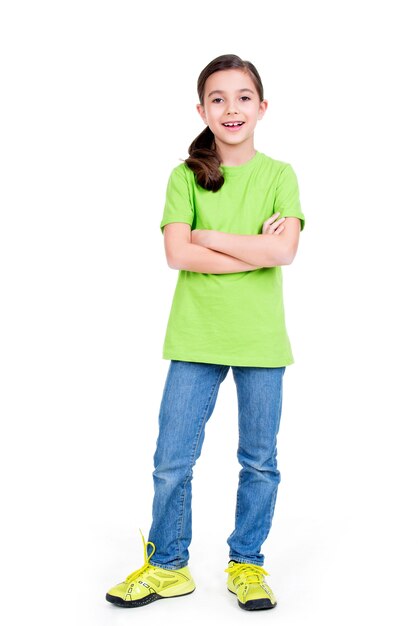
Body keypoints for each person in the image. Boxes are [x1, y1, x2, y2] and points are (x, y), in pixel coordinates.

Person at [106, 53, 305, 612]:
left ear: (262, 107)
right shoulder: (184, 176)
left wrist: (208, 238)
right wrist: (253, 251)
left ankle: (247, 563)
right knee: (172, 458)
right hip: (195, 337)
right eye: (218, 98)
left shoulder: (279, 176)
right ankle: (168, 565)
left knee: (259, 461)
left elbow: (285, 250)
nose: (231, 108)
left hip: (261, 341)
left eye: (243, 97)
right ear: (202, 109)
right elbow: (176, 254)